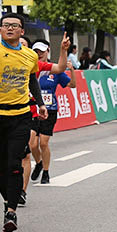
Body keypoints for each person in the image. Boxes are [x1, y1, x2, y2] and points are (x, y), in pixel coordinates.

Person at [0, 10, 47, 232]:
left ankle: (11, 211)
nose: (9, 28)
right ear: (0, 29)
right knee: (0, 166)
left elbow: (32, 79)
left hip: (20, 116)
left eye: (14, 25)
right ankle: (8, 200)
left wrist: (41, 103)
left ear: (22, 31)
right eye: (5, 25)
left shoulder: (30, 55)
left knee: (14, 163)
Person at [28, 36, 73, 185]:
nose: (39, 54)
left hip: (50, 109)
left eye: (41, 51)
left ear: (48, 51)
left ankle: (46, 172)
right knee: (32, 144)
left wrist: (71, 70)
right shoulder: (29, 68)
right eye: (36, 51)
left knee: (43, 143)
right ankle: (39, 162)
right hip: (33, 108)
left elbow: (72, 85)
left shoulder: (55, 70)